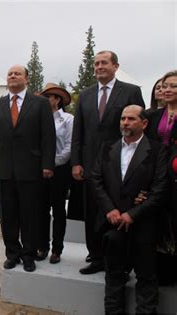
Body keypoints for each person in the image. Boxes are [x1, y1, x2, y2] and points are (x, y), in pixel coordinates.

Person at [71, 50, 145, 275]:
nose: (99, 67)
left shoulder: (130, 91)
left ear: (116, 66)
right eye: (96, 63)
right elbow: (78, 131)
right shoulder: (85, 95)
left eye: (104, 63)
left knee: (116, 208)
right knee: (92, 209)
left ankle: (119, 258)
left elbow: (142, 124)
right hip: (90, 165)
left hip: (121, 164)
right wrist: (76, 162)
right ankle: (95, 256)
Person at [91, 105, 167, 314]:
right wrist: (110, 210)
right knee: (114, 276)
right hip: (113, 225)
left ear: (144, 123)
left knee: (146, 277)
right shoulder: (107, 147)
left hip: (144, 224)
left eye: (131, 119)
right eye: (123, 118)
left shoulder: (158, 150)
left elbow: (160, 189)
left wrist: (133, 214)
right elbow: (96, 181)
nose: (125, 122)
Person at [0, 64, 55, 272]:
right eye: (10, 73)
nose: (13, 76)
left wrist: (47, 164)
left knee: (30, 215)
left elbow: (48, 136)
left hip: (32, 169)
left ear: (27, 79)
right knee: (9, 215)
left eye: (17, 73)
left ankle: (29, 255)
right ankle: (12, 253)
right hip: (5, 170)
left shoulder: (40, 104)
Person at [146, 70, 177, 285]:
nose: (167, 89)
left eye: (173, 86)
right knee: (159, 225)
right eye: (165, 85)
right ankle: (163, 273)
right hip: (157, 176)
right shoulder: (153, 116)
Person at [37, 83, 74, 264]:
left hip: (59, 169)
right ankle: (42, 246)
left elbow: (69, 147)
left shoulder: (67, 120)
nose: (44, 101)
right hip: (40, 171)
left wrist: (51, 164)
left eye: (47, 97)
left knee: (58, 210)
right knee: (41, 209)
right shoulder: (38, 119)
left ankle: (57, 249)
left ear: (57, 99)